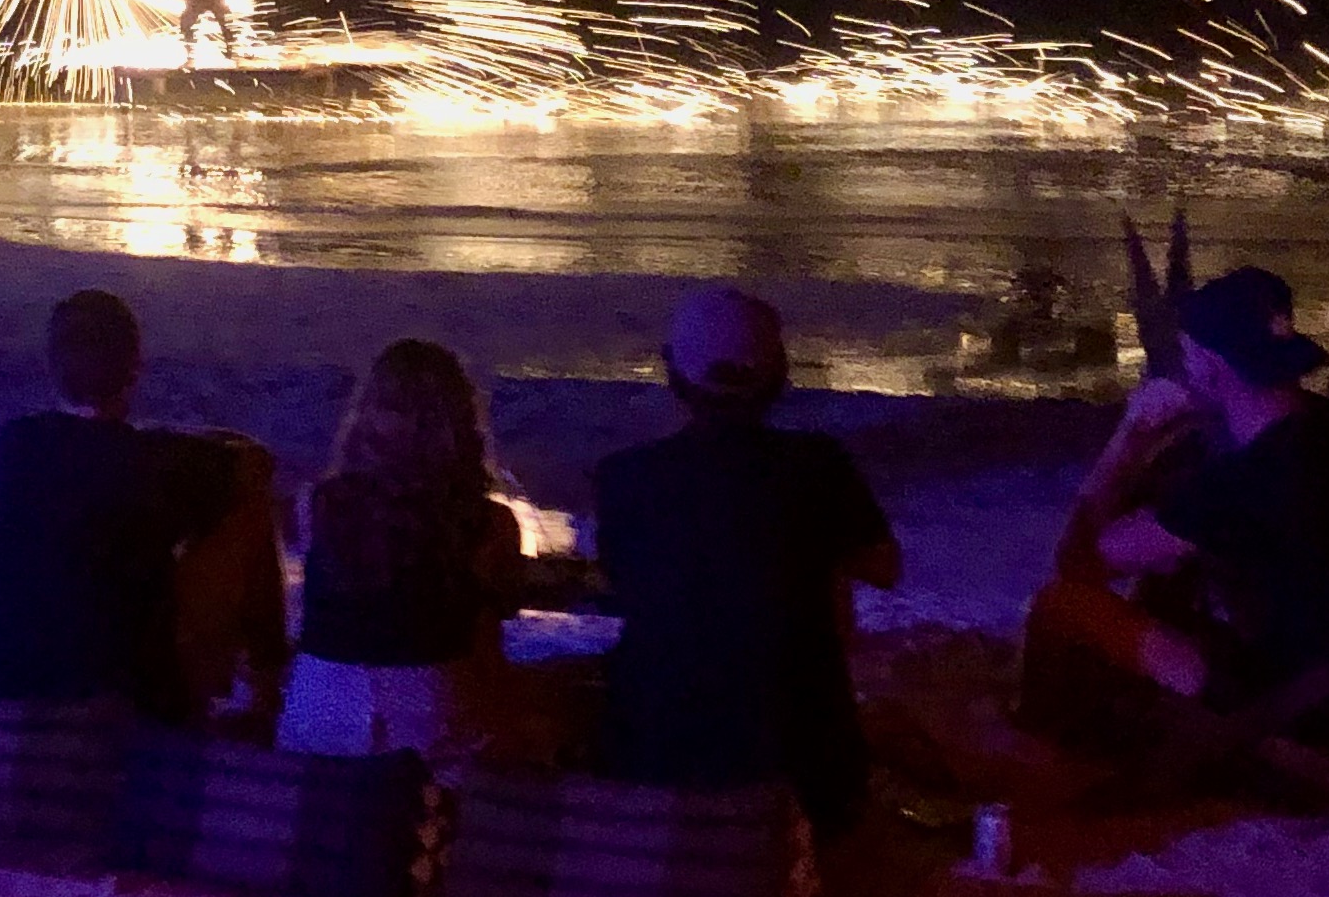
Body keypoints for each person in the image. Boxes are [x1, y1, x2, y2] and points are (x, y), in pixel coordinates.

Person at [1022, 264, 1329, 743]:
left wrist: (1129, 439)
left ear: (1212, 364)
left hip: (1317, 717)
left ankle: (1041, 750)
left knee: (1062, 605)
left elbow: (1077, 563)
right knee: (1180, 571)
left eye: (1186, 356)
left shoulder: (1248, 481)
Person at [593, 285, 900, 837]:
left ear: (673, 374)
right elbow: (884, 568)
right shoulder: (817, 466)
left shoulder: (624, 477)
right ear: (779, 373)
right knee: (820, 563)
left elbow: (624, 582)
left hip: (654, 763)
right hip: (805, 776)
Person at [0, 286, 286, 724]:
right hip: (130, 707)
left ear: (51, 366)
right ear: (135, 368)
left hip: (0, 695)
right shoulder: (153, 462)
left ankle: (267, 678)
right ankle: (269, 680)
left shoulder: (14, 444)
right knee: (246, 500)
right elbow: (254, 461)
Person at [277, 339, 526, 760]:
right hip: (429, 715)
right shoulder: (491, 525)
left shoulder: (316, 506)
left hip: (318, 709)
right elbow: (485, 655)